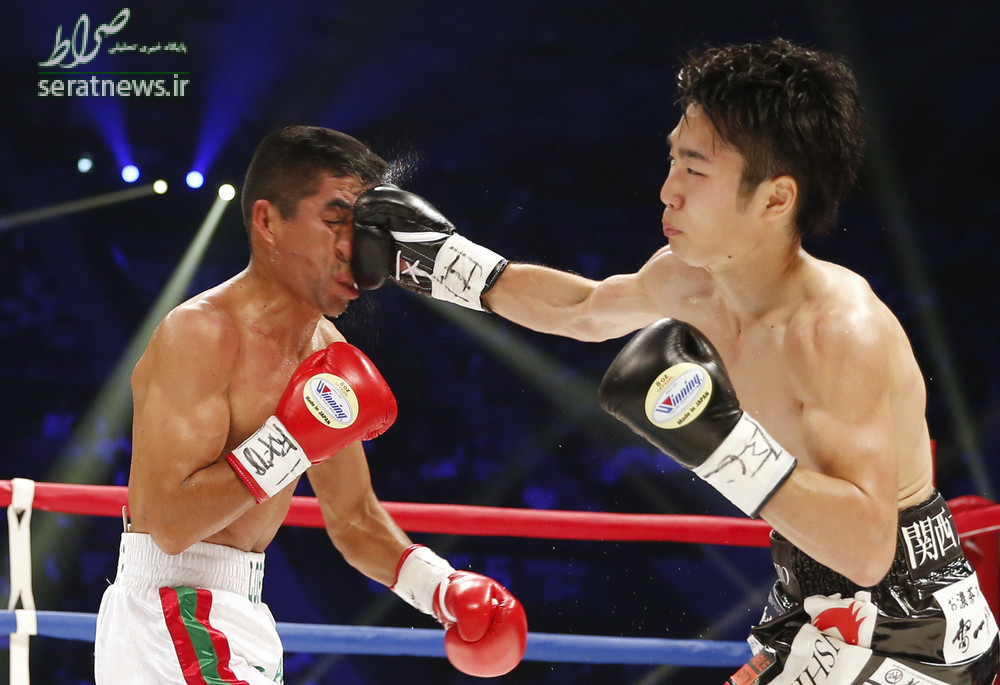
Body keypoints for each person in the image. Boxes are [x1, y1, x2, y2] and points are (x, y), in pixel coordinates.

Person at [351, 39, 1000, 684]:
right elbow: (582, 309)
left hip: (910, 622)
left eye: (696, 170)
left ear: (775, 199)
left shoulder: (836, 331)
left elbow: (866, 548)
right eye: (673, 160)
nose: (668, 191)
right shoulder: (688, 281)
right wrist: (444, 260)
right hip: (810, 592)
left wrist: (718, 443)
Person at [93, 125, 527, 684]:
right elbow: (171, 526)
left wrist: (440, 588)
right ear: (268, 221)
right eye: (334, 221)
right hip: (173, 611)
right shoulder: (202, 333)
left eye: (366, 228)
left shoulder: (328, 354)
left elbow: (354, 518)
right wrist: (290, 440)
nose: (356, 248)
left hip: (234, 611)